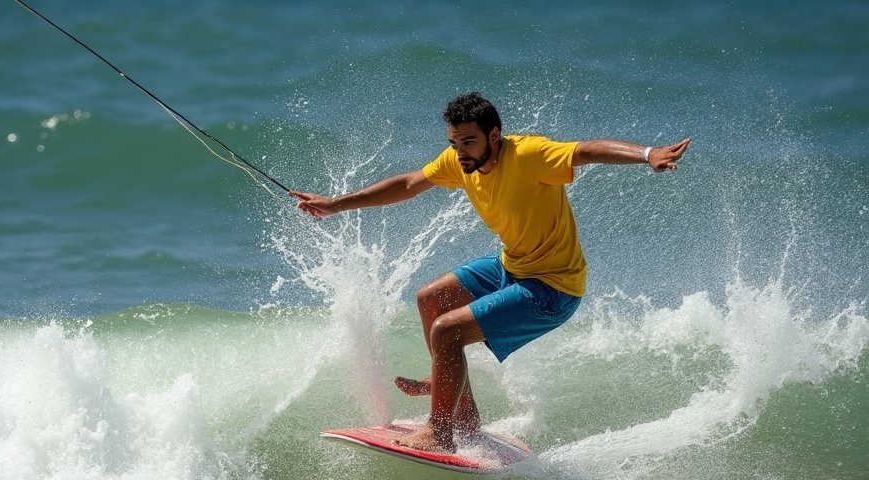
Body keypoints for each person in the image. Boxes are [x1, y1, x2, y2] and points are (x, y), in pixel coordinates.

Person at [290, 92, 690, 453]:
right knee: (431, 298)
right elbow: (410, 183)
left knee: (446, 331)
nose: (460, 152)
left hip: (553, 288)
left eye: (469, 142)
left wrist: (648, 153)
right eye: (454, 143)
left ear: (494, 135)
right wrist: (336, 205)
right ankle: (461, 411)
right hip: (512, 266)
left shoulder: (529, 154)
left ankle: (440, 432)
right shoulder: (459, 162)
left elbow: (585, 151)